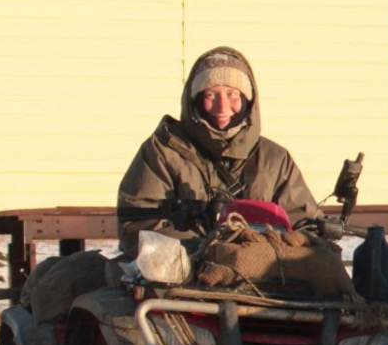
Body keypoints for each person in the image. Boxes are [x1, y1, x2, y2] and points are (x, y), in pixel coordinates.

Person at [117, 46, 321, 258]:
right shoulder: (163, 152)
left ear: (248, 98)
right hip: (182, 270)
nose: (222, 107)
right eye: (211, 94)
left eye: (232, 94)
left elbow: (306, 224)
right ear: (195, 99)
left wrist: (269, 247)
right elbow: (137, 225)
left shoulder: (275, 159)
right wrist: (205, 250)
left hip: (264, 270)